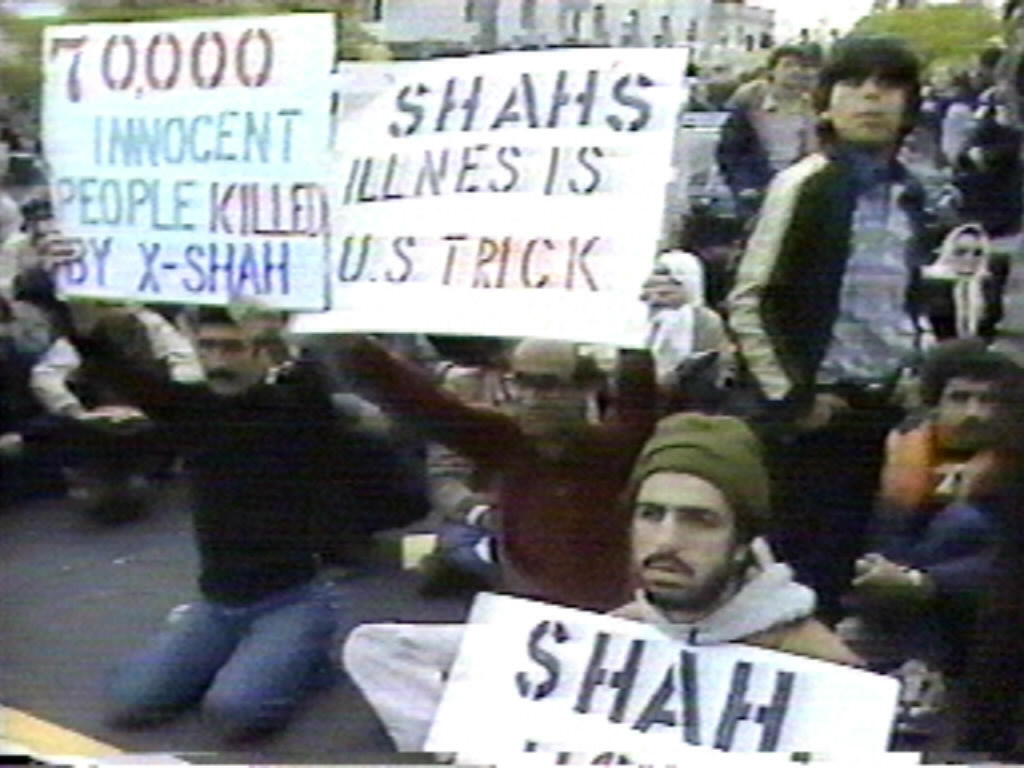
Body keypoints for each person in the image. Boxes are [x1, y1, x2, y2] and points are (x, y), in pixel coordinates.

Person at [342, 413, 860, 752]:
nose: (667, 540)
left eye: (699, 520)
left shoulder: (823, 669)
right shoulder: (613, 640)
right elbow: (382, 650)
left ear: (744, 541)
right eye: (650, 514)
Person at [93, 307, 425, 741]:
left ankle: (305, 660)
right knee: (129, 701)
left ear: (260, 353)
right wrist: (82, 325)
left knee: (235, 713)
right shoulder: (192, 408)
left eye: (233, 348)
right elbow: (121, 374)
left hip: (291, 599)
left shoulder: (293, 411)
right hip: (218, 602)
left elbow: (312, 394)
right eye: (208, 347)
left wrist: (279, 341)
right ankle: (243, 653)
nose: (218, 361)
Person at [725, 36, 930, 623]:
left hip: (880, 413)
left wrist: (914, 361)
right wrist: (793, 398)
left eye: (888, 85)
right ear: (826, 101)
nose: (871, 97)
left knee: (849, 570)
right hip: (812, 420)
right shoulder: (805, 184)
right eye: (854, 84)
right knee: (790, 576)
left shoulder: (910, 193)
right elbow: (748, 300)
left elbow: (904, 292)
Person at [335, 334, 658, 612]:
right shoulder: (505, 440)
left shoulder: (617, 448)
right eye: (521, 381)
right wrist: (349, 344)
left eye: (547, 385)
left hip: (607, 616)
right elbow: (421, 404)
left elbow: (638, 400)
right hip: (522, 611)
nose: (531, 399)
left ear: (585, 387)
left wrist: (635, 336)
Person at [837, 341, 1017, 729]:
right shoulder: (893, 451)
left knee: (962, 523)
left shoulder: (1014, 468)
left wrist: (925, 582)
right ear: (934, 403)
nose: (974, 413)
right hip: (882, 606)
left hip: (982, 631)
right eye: (960, 398)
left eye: (989, 401)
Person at [716, 43, 823, 220]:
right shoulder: (749, 108)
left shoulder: (815, 110)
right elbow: (730, 152)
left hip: (802, 189)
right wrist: (744, 186)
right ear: (772, 71)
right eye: (788, 65)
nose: (795, 71)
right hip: (757, 190)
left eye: (801, 66)